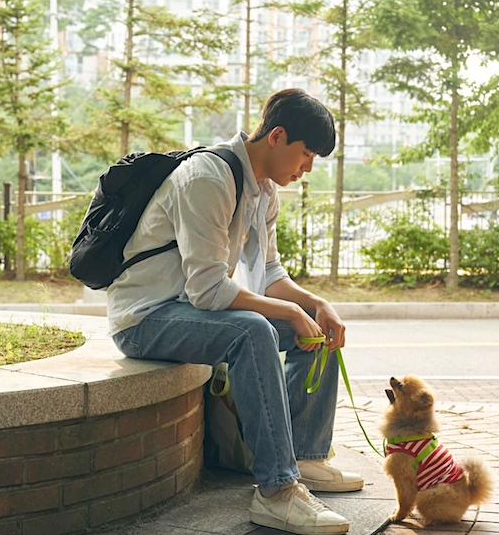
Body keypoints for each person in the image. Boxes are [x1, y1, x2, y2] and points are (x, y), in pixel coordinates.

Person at [107, 88, 361, 535]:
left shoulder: (263, 190)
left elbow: (267, 273)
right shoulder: (208, 177)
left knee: (312, 327)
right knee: (253, 331)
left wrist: (315, 305)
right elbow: (206, 289)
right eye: (306, 155)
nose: (307, 169)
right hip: (145, 319)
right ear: (277, 137)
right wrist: (285, 311)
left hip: (188, 311)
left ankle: (304, 455)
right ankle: (277, 493)